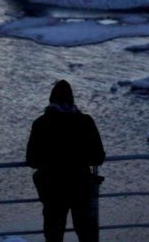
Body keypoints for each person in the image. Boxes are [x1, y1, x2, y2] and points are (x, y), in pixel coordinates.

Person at [25, 80, 105, 242]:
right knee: (86, 231)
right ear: (72, 100)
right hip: (81, 186)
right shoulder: (86, 122)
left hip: (51, 188)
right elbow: (98, 157)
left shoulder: (41, 123)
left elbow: (32, 160)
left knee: (53, 232)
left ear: (51, 100)